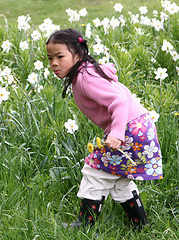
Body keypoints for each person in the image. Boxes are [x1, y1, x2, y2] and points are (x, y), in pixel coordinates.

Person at [46, 28, 163, 230]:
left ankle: (85, 224)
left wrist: (117, 132)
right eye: (50, 58)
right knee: (118, 177)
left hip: (128, 130)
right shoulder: (86, 71)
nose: (54, 63)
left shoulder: (86, 78)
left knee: (95, 171)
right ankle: (139, 224)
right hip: (139, 127)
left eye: (60, 56)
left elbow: (118, 101)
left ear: (78, 54)